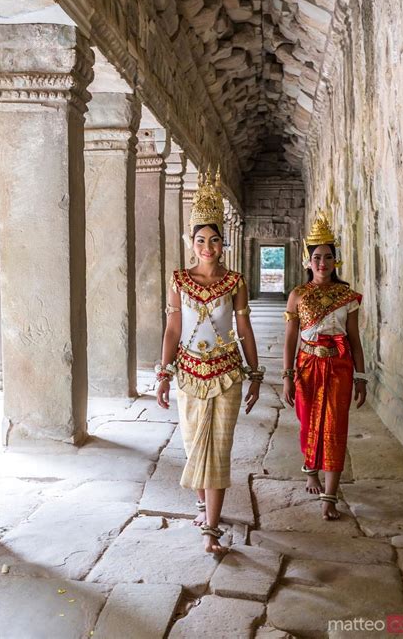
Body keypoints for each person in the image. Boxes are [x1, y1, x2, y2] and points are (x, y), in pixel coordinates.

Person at [156, 168, 263, 554]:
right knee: (192, 446)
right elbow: (172, 330)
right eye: (201, 240)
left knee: (218, 449)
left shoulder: (234, 282)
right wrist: (164, 374)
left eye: (214, 240)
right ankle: (203, 506)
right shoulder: (179, 280)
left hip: (227, 375)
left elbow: (244, 330)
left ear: (223, 243)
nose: (208, 247)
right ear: (192, 241)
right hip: (188, 375)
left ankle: (211, 530)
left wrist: (254, 374)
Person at [282, 211, 367, 520]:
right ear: (308, 262)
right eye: (316, 257)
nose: (322, 263)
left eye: (328, 257)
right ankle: (310, 471)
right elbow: (290, 339)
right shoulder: (298, 296)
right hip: (306, 365)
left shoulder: (347, 297)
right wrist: (287, 376)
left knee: (335, 426)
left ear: (336, 261)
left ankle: (330, 496)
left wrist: (361, 376)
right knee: (308, 423)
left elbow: (355, 340)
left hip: (339, 367)